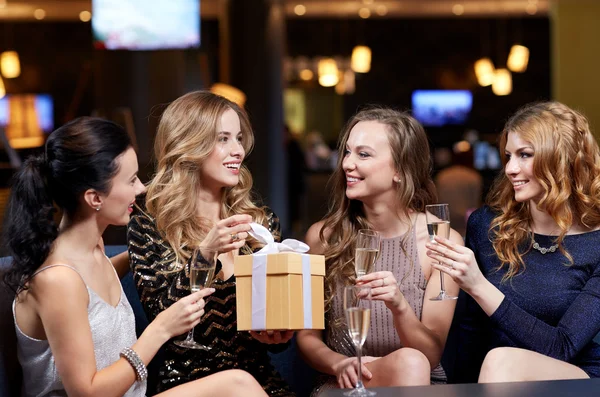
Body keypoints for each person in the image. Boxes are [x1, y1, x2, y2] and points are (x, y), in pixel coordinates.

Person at [3, 117, 268, 397]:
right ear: (95, 198)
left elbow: (93, 292)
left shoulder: (94, 249)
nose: (141, 189)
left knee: (238, 382)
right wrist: (160, 329)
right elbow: (87, 393)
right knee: (237, 385)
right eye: (131, 180)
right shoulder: (58, 279)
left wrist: (164, 247)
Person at [127, 91, 294, 395]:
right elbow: (160, 314)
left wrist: (277, 335)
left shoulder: (261, 223)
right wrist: (205, 254)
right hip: (189, 382)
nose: (238, 151)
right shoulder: (150, 223)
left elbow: (273, 330)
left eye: (239, 138)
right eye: (223, 139)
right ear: (188, 144)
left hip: (258, 380)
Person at [426, 101, 600, 383]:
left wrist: (478, 285)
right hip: (498, 380)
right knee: (498, 360)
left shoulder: (596, 243)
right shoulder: (487, 225)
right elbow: (471, 329)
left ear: (561, 158)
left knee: (501, 358)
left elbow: (563, 346)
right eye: (508, 156)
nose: (509, 168)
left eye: (524, 155)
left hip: (577, 377)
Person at [296, 107, 463, 395]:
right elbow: (307, 338)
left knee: (412, 362)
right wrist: (339, 364)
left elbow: (431, 354)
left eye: (363, 154)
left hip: (416, 383)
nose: (347, 163)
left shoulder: (440, 239)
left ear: (400, 169)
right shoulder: (324, 237)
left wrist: (399, 306)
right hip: (344, 384)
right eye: (347, 152)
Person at [434, 144, 483, 237]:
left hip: (445, 223)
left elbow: (437, 201)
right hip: (466, 224)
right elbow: (476, 203)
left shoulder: (442, 176)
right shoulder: (474, 176)